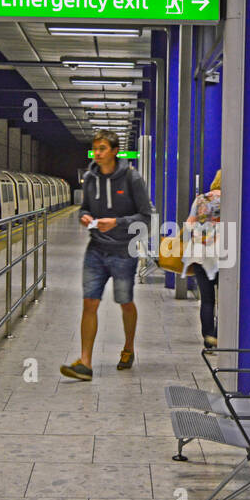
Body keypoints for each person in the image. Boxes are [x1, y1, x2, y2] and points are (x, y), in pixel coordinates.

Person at [60, 130, 154, 381]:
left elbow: (146, 217)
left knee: (125, 302)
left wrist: (118, 222)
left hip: (124, 251)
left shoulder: (132, 179)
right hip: (96, 249)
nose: (97, 153)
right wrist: (84, 217)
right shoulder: (90, 179)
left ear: (114, 151)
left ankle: (128, 348)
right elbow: (85, 207)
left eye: (102, 148)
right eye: (95, 149)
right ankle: (85, 363)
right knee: (90, 303)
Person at [182, 170, 222, 349]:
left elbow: (189, 223)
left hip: (200, 254)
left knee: (207, 300)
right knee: (225, 300)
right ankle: (219, 334)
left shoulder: (200, 200)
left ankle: (208, 339)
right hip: (223, 255)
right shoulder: (232, 200)